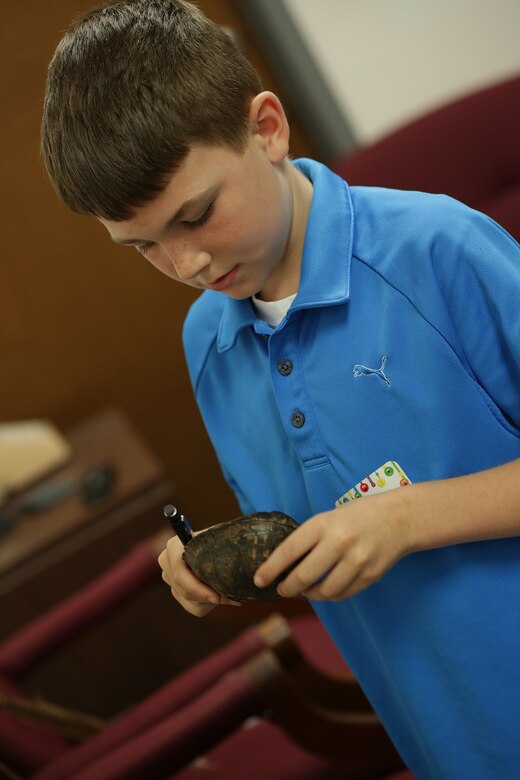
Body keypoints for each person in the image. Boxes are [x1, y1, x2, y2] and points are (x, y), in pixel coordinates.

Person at [40, 1, 520, 777]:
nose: (187, 265)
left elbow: (387, 515)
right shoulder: (207, 341)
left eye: (196, 215)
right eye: (143, 248)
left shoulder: (438, 250)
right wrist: (216, 566)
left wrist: (407, 518)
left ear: (266, 128)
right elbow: (314, 528)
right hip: (444, 734)